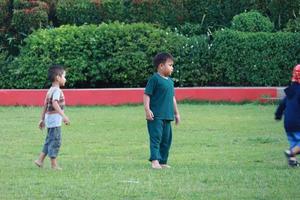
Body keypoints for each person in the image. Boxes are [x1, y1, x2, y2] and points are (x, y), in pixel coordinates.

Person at [143, 52, 180, 169]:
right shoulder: (154, 79)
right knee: (156, 138)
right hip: (156, 116)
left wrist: (177, 113)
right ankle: (155, 160)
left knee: (166, 140)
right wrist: (147, 110)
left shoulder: (170, 82)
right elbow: (146, 95)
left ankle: (163, 161)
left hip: (168, 116)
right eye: (170, 65)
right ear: (161, 66)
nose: (172, 68)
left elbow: (173, 98)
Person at [34, 65, 70, 170]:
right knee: (55, 141)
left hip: (49, 120)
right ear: (58, 78)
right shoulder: (57, 91)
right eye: (64, 76)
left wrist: (42, 119)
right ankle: (54, 165)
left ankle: (40, 160)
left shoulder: (50, 90)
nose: (65, 79)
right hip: (54, 121)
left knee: (49, 140)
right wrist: (64, 116)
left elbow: (45, 104)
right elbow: (54, 103)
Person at [275, 64, 300, 167]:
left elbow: (282, 104)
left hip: (288, 123)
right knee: (295, 147)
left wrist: (278, 115)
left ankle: (292, 161)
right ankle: (291, 153)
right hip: (298, 122)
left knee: (294, 141)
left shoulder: (290, 90)